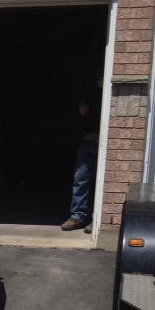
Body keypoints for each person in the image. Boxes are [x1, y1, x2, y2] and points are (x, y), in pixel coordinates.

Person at [61, 95, 100, 231]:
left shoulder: (107, 87)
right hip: (86, 139)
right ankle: (78, 216)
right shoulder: (86, 86)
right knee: (81, 179)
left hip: (103, 139)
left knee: (100, 183)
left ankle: (95, 219)